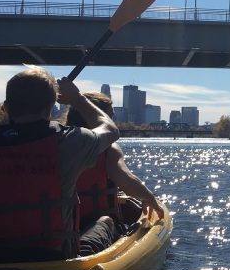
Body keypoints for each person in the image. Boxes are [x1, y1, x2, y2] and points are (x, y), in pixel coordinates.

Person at [0, 67, 120, 263]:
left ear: (6, 107)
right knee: (105, 222)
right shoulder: (67, 143)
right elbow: (110, 130)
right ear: (50, 108)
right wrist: (77, 98)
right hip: (53, 262)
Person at [65, 91, 164, 236]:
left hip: (63, 226)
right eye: (109, 116)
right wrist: (150, 198)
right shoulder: (109, 148)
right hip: (98, 225)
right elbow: (127, 182)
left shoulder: (57, 144)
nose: (112, 120)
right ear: (98, 118)